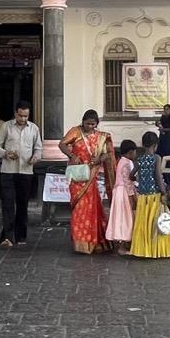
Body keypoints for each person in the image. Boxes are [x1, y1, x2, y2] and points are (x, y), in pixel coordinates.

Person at [58, 109, 116, 255]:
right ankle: (81, 243)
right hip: (77, 178)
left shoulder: (100, 137)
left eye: (93, 124)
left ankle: (94, 241)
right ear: (83, 121)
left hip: (91, 178)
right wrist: (72, 155)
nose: (90, 127)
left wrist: (99, 159)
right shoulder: (75, 132)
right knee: (79, 210)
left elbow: (107, 154)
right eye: (88, 123)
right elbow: (62, 144)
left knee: (92, 210)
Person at [0, 100, 41, 248]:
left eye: (26, 116)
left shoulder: (34, 129)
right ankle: (7, 236)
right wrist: (5, 153)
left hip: (26, 171)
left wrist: (35, 157)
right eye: (20, 116)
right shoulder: (6, 126)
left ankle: (20, 235)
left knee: (22, 204)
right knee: (7, 203)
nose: (23, 119)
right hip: (8, 171)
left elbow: (38, 148)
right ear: (15, 113)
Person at [129, 132, 170, 259]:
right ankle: (156, 249)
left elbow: (131, 175)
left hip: (143, 196)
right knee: (156, 223)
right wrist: (164, 191)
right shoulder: (156, 158)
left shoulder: (139, 159)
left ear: (143, 144)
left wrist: (139, 178)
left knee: (143, 223)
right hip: (154, 196)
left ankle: (143, 250)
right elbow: (158, 177)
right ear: (155, 145)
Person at [105, 140, 138, 252]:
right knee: (126, 217)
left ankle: (123, 244)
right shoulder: (128, 163)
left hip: (118, 192)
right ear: (131, 152)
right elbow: (128, 182)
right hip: (124, 193)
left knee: (120, 217)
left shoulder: (120, 161)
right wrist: (133, 197)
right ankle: (123, 245)